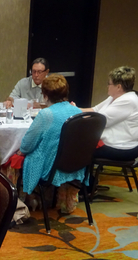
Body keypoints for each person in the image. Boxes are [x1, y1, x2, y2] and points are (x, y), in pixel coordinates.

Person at [19, 74, 83, 213]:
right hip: (75, 164)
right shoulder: (78, 112)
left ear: (45, 95)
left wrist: (21, 151)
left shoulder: (46, 115)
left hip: (51, 167)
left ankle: (26, 200)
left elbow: (26, 145)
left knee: (18, 157)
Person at [78, 66, 138, 161]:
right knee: (76, 142)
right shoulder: (114, 97)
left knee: (76, 148)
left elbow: (99, 122)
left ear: (118, 87)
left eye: (109, 84)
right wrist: (75, 109)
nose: (107, 86)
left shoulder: (128, 101)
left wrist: (77, 116)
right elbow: (95, 109)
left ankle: (84, 176)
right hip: (115, 142)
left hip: (122, 147)